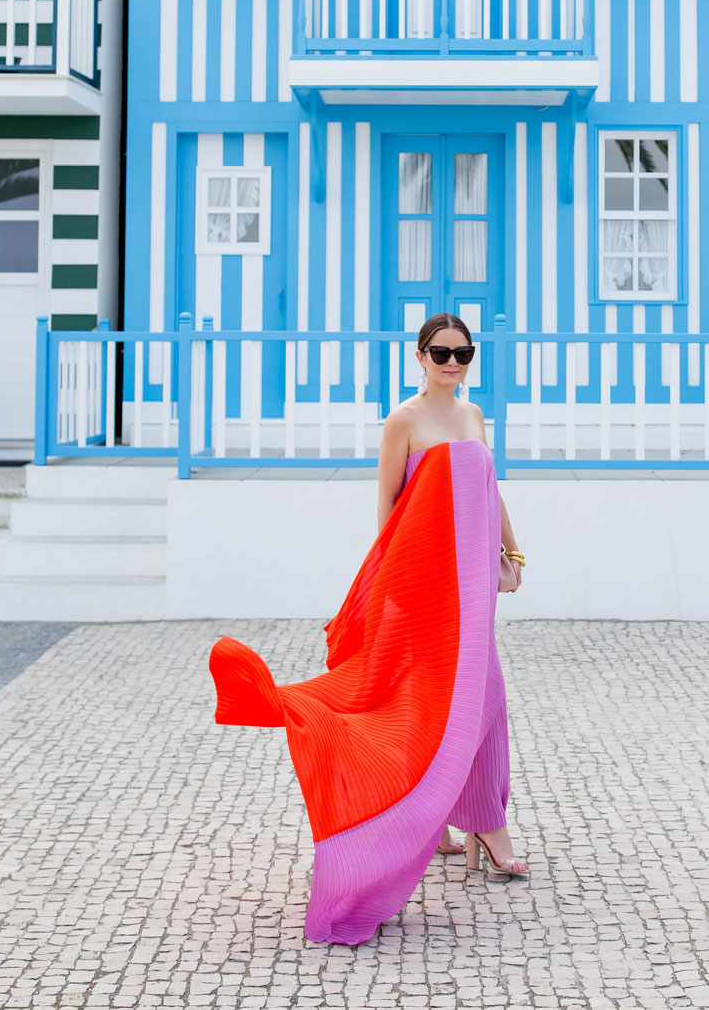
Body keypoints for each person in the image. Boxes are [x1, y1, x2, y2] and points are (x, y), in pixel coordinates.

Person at [208, 311, 527, 945]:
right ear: (419, 356)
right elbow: (388, 508)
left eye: (464, 353)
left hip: (472, 584)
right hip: (423, 583)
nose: (454, 364)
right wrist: (388, 583)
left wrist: (510, 553)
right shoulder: (403, 421)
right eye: (442, 353)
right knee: (429, 702)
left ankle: (465, 822)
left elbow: (489, 490)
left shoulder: (473, 416)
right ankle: (470, 828)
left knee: (480, 701)